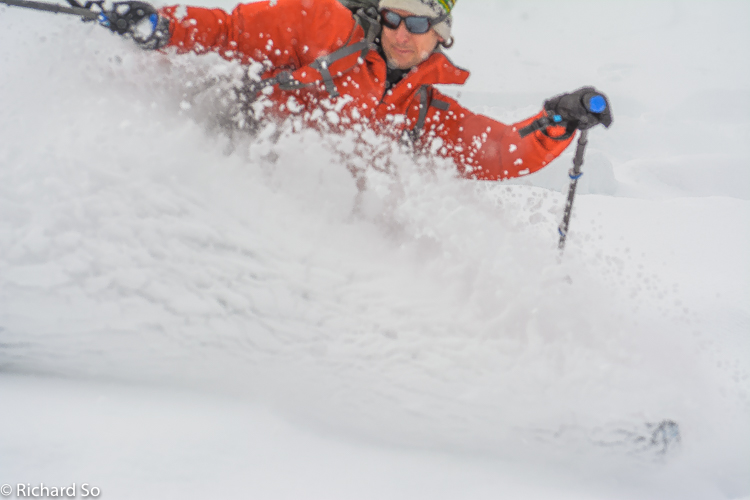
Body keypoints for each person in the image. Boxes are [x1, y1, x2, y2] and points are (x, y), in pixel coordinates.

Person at [101, 0, 612, 180]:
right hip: (227, 160)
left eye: (416, 23)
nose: (400, 33)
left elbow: (499, 152)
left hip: (311, 216)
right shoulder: (325, 25)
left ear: (441, 35)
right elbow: (231, 33)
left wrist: (559, 120)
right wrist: (163, 27)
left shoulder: (422, 107)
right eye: (392, 18)